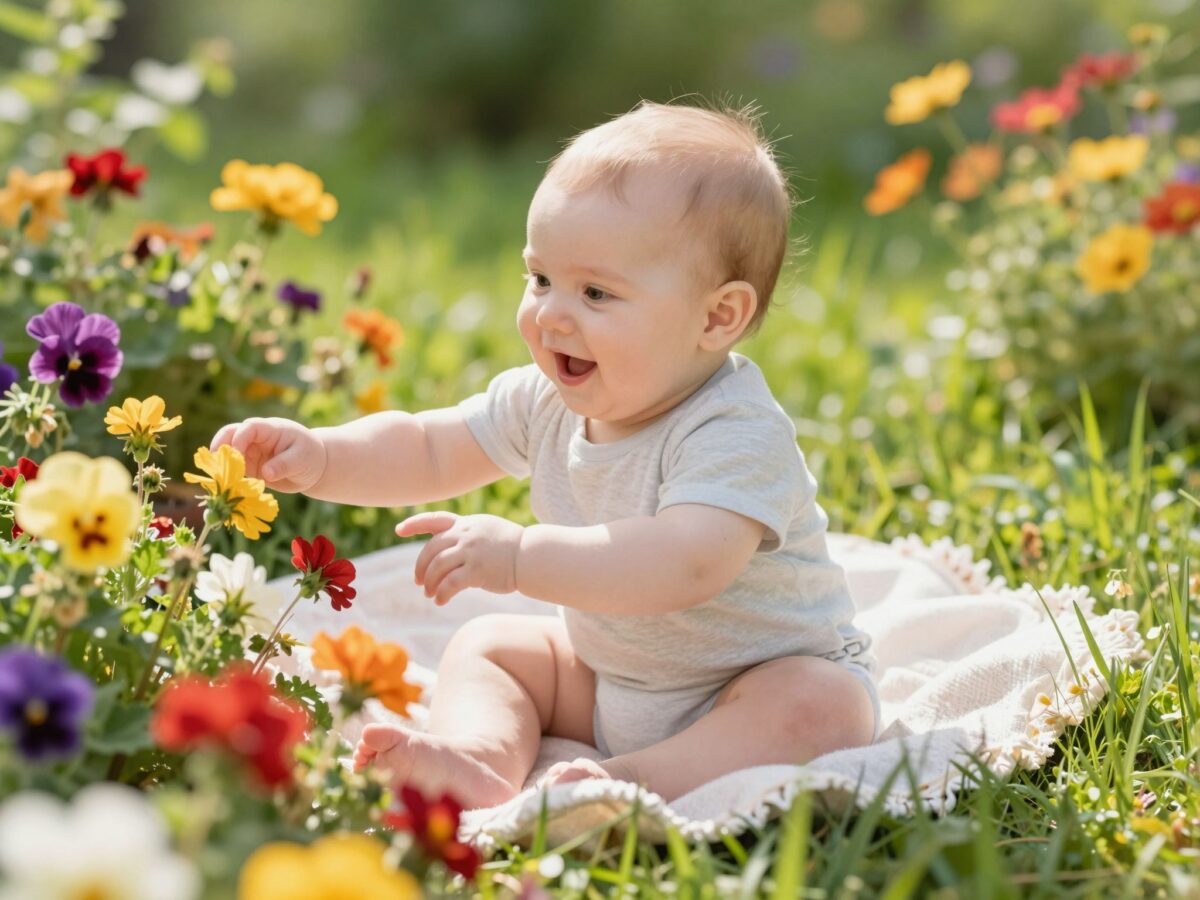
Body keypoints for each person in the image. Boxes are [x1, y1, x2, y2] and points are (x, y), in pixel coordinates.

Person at [210, 100, 880, 808]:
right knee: (491, 648)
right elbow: (431, 447)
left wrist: (522, 558)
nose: (551, 314)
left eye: (595, 291)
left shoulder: (734, 431)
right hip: (611, 679)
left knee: (819, 706)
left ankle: (628, 785)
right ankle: (478, 758)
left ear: (718, 316)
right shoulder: (545, 399)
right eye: (540, 280)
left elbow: (687, 562)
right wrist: (319, 456)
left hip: (753, 677)